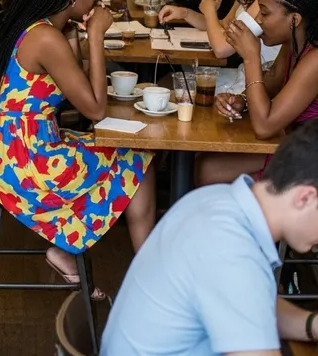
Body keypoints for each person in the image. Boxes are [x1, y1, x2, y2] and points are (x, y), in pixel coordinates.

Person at [0, 0, 155, 297]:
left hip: (8, 148)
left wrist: (81, 35)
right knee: (138, 162)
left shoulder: (41, 26)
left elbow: (81, 86)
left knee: (126, 154)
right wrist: (97, 35)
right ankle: (150, 280)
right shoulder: (46, 39)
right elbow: (96, 109)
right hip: (23, 161)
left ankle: (68, 247)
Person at [102, 120, 318, 356]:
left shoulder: (219, 200)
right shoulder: (231, 251)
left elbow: (252, 307)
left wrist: (311, 325)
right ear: (305, 198)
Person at [197, 0, 318, 186]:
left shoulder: (315, 59)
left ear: (295, 19)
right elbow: (272, 80)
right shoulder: (294, 44)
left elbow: (264, 127)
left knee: (209, 170)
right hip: (294, 143)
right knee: (203, 161)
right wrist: (242, 100)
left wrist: (251, 57)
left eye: (265, 13)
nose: (259, 21)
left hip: (309, 160)